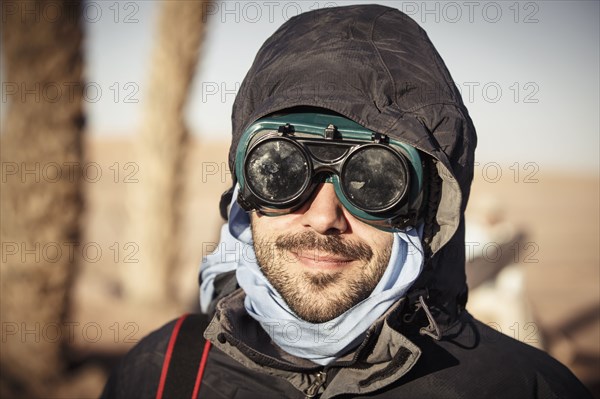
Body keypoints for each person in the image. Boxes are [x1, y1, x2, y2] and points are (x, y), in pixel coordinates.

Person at [102, 4, 591, 398]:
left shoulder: (521, 389)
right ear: (243, 193)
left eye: (374, 182)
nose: (323, 217)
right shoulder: (164, 373)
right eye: (282, 172)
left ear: (426, 207)